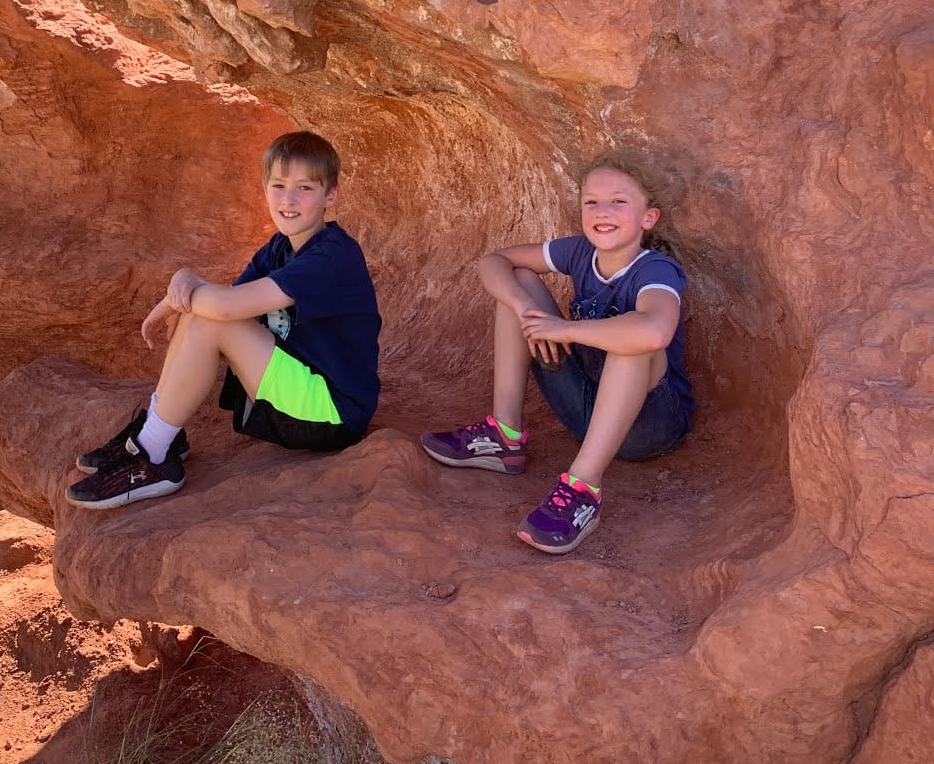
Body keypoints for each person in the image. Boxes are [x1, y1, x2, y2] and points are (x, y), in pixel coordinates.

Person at [67, 131, 381, 510]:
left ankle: (152, 456)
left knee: (210, 316)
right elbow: (222, 304)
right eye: (279, 185)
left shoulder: (333, 256)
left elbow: (227, 309)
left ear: (331, 196)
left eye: (305, 188)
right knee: (203, 314)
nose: (288, 199)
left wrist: (178, 293)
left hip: (332, 411)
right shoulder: (280, 248)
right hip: (297, 390)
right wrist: (187, 281)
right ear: (265, 189)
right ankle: (158, 434)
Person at [420, 152, 693, 553]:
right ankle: (505, 436)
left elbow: (654, 332)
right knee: (520, 282)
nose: (603, 211)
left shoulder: (654, 269)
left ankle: (583, 488)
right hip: (587, 402)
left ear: (648, 218)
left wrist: (565, 328)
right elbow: (494, 261)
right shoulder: (580, 251)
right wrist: (521, 306)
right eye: (591, 202)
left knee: (633, 342)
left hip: (648, 425)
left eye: (618, 201)